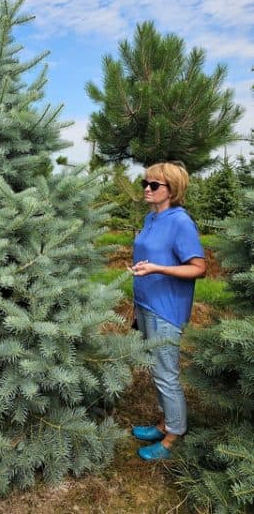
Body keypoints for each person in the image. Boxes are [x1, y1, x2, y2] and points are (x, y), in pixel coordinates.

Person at [128, 161, 206, 461]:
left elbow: (199, 267)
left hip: (166, 310)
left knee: (166, 374)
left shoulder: (180, 222)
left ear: (172, 189)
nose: (147, 189)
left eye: (154, 185)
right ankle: (164, 423)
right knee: (156, 370)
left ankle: (174, 435)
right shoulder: (152, 218)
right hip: (146, 304)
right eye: (145, 184)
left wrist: (159, 267)